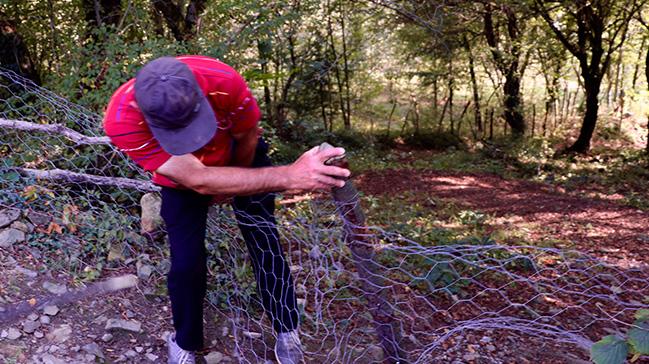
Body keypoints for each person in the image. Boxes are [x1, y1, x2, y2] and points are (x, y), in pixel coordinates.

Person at [102, 55, 349, 364]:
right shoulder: (121, 119)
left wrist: (235, 183)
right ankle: (185, 343)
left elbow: (247, 135)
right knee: (186, 262)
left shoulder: (222, 80)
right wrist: (288, 175)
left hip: (239, 155)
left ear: (199, 92)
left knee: (265, 242)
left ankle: (287, 330)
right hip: (183, 179)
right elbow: (198, 179)